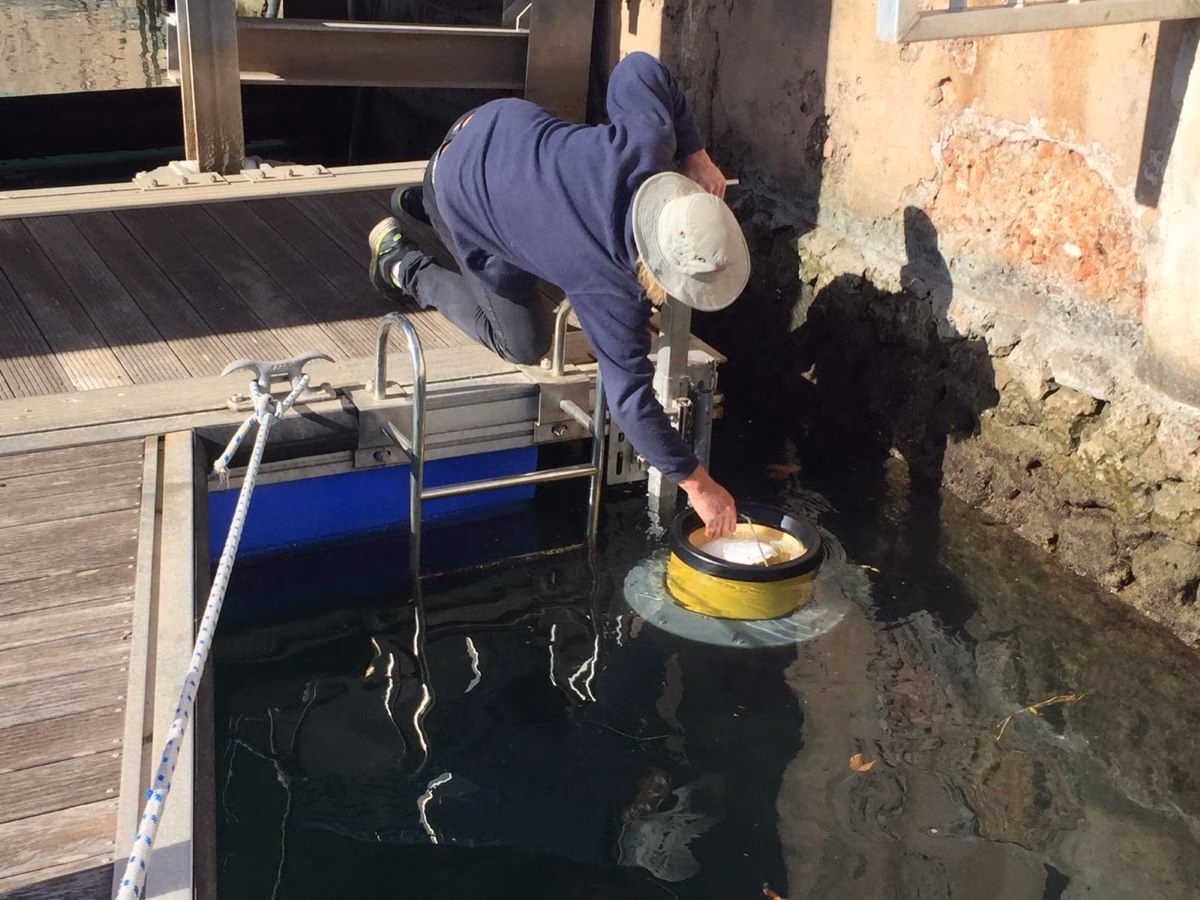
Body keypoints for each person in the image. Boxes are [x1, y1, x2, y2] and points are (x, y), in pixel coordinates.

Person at [367, 51, 749, 537]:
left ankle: (428, 200)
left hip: (488, 124)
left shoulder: (647, 141)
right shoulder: (609, 288)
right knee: (522, 341)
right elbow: (630, 401)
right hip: (460, 185)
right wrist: (699, 485)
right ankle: (402, 263)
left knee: (530, 202)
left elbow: (638, 67)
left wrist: (695, 153)